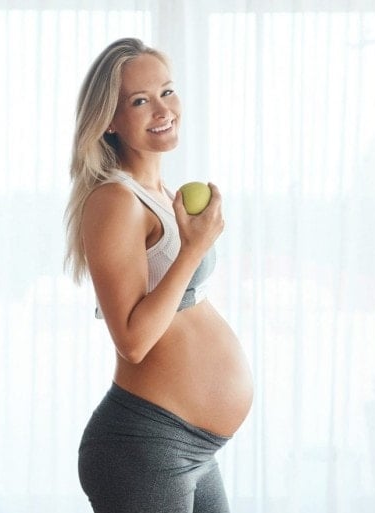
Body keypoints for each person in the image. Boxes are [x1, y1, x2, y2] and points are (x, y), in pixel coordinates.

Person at [65, 37, 254, 513]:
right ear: (110, 119)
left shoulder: (159, 192)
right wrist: (194, 250)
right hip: (145, 446)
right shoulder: (114, 200)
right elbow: (131, 340)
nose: (162, 109)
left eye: (167, 92)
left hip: (192, 449)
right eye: (140, 101)